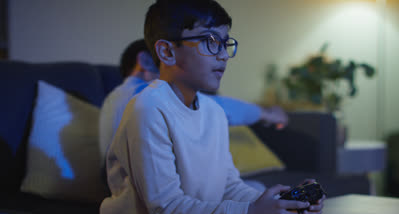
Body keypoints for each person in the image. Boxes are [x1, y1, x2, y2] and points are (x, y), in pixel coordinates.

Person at [99, 0, 324, 214]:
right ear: (166, 52)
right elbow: (166, 208)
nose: (223, 56)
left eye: (225, 44)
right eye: (210, 42)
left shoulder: (213, 112)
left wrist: (280, 206)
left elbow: (228, 187)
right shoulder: (148, 108)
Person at [99, 39, 288, 160]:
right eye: (168, 57)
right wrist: (266, 114)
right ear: (146, 61)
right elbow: (217, 107)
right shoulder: (144, 96)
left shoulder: (114, 98)